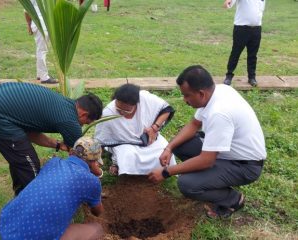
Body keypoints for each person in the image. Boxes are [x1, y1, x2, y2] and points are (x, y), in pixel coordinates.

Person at [149, 65, 266, 218]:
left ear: (201, 93)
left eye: (187, 95)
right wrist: (169, 148)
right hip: (227, 155)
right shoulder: (219, 90)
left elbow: (206, 161)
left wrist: (166, 172)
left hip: (244, 166)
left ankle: (233, 200)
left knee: (186, 184)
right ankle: (209, 181)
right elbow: (194, 124)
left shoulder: (219, 113)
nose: (184, 100)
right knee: (180, 144)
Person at [0, 82, 103, 195]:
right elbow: (84, 155)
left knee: (20, 157)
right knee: (29, 164)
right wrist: (98, 173)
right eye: (86, 122)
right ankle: (32, 203)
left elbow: (30, 133)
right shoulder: (70, 121)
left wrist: (57, 145)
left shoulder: (65, 105)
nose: (82, 125)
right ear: (84, 114)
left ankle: (21, 194)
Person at [0, 136, 104, 240]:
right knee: (97, 228)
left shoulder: (53, 162)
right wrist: (97, 176)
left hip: (6, 225)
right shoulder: (91, 181)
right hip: (31, 237)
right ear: (95, 163)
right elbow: (97, 212)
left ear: (71, 152)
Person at [95, 83, 176, 175]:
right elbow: (101, 139)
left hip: (149, 139)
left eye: (126, 111)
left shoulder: (146, 99)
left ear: (136, 104)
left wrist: (154, 128)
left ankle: (161, 171)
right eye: (118, 109)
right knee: (128, 155)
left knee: (163, 150)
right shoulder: (108, 112)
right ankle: (119, 165)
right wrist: (95, 160)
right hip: (124, 143)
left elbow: (166, 110)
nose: (121, 112)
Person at [223, 0, 266, 87]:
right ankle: (229, 75)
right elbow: (229, 2)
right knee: (235, 53)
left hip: (256, 29)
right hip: (241, 28)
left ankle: (252, 77)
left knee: (253, 55)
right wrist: (228, 2)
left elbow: (260, 9)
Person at [24, 0, 57, 84]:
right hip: (41, 25)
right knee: (42, 50)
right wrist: (28, 25)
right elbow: (26, 10)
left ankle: (40, 74)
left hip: (42, 24)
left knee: (40, 50)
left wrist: (29, 24)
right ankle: (44, 77)